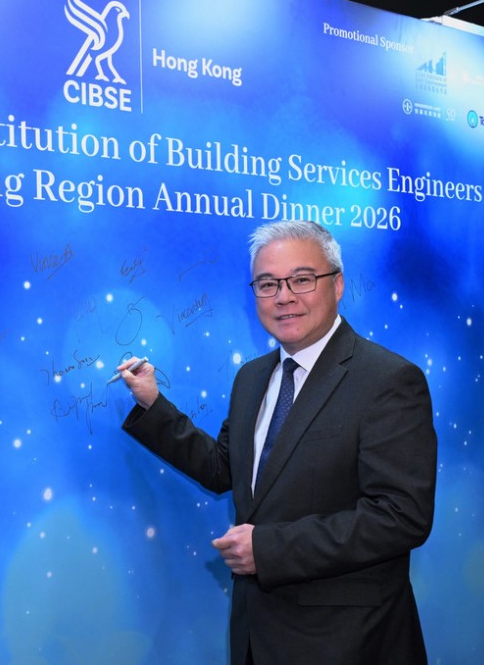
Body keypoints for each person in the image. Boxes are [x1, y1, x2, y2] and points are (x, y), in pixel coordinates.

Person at [115, 220, 437, 665]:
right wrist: (153, 404)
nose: (284, 296)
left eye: (302, 279)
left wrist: (267, 549)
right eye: (268, 284)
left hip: (348, 643)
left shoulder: (388, 380)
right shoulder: (252, 377)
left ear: (337, 284)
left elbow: (401, 517)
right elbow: (224, 469)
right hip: (257, 637)